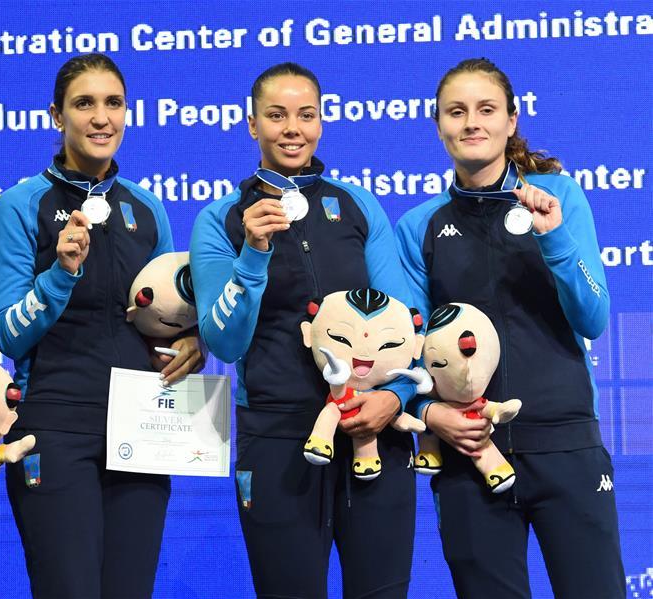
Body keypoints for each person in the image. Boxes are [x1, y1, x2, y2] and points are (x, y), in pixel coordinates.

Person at [395, 57, 624, 598]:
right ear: (439, 126)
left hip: (567, 449)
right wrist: (430, 413)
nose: (472, 122)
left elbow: (593, 316)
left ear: (511, 120)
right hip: (468, 457)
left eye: (486, 109)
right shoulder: (418, 227)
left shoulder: (559, 198)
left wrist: (555, 239)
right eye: (457, 112)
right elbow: (403, 352)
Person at [190, 63, 417, 599]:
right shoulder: (220, 219)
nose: (292, 128)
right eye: (276, 115)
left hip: (372, 432)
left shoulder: (358, 206)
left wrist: (396, 395)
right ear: (252, 125)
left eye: (306, 115)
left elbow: (406, 325)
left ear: (321, 122)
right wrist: (253, 254)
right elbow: (224, 341)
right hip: (276, 438)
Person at [0, 53, 203, 598]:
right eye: (84, 104)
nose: (101, 117)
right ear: (57, 116)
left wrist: (191, 341)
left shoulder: (147, 208)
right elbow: (10, 335)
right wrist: (60, 274)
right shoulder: (20, 206)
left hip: (144, 426)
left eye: (114, 103)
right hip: (53, 427)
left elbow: (165, 315)